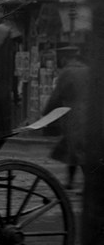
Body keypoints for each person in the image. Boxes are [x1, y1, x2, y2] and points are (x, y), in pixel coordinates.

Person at [44, 46, 89, 190]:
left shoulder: (67, 72)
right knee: (74, 151)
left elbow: (56, 97)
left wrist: (46, 114)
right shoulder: (88, 70)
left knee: (77, 151)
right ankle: (71, 182)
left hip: (74, 116)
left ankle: (88, 185)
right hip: (90, 115)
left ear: (64, 59)